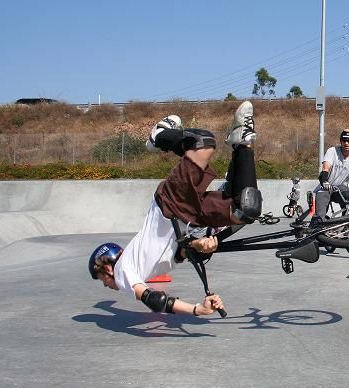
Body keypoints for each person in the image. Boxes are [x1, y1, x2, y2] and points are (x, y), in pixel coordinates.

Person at [88, 101, 261, 316]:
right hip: (190, 217)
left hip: (169, 207)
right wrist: (201, 244)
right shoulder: (149, 266)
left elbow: (154, 300)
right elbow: (182, 249)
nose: (106, 285)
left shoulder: (123, 271)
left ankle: (159, 135)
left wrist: (196, 310)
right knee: (245, 209)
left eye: (103, 280)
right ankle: (241, 141)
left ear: (106, 268)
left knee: (203, 143)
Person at [310, 129, 349, 224]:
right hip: (326, 187)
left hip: (340, 191)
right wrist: (324, 181)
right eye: (344, 140)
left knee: (343, 190)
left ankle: (345, 222)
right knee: (319, 217)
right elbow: (325, 168)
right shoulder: (332, 151)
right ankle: (314, 231)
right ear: (340, 141)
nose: (346, 143)